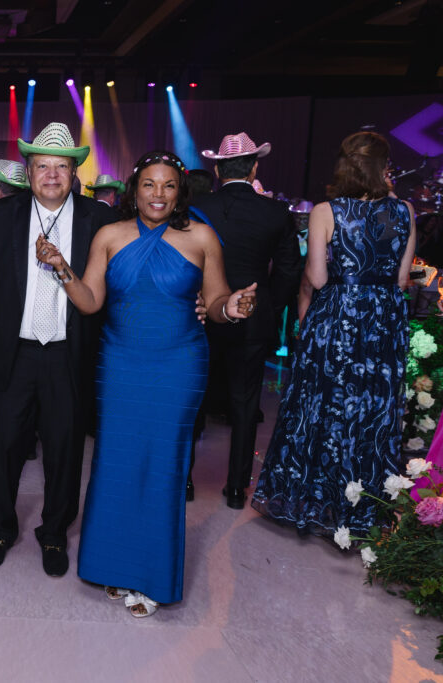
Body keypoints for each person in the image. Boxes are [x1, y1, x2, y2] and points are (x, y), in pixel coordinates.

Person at [37, 149, 257, 616]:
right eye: (149, 184)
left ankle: (153, 577)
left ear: (181, 192)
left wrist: (230, 308)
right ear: (134, 190)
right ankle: (112, 566)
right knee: (115, 461)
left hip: (178, 365)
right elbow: (91, 301)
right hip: (120, 363)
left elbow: (215, 300)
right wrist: (61, 267)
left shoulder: (201, 237)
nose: (158, 194)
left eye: (168, 185)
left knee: (163, 465)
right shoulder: (110, 235)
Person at [0, 122, 118, 578]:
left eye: (61, 167)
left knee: (65, 449)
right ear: (28, 171)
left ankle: (53, 533)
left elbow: (128, 276)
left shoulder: (100, 221)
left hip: (68, 354)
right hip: (12, 354)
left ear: (74, 173)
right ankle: (2, 527)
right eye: (41, 166)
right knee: (3, 447)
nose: (51, 175)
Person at [252, 131, 416, 538]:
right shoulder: (406, 211)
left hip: (338, 317)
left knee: (323, 406)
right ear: (383, 167)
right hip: (383, 322)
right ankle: (361, 505)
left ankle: (314, 497)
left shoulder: (328, 210)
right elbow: (401, 281)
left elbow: (318, 278)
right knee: (372, 411)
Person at [189, 134, 303, 509]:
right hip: (254, 316)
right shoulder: (275, 213)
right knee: (244, 401)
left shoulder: (197, 206)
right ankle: (237, 488)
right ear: (255, 168)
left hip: (203, 313)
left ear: (218, 169)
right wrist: (269, 307)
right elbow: (288, 271)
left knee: (195, 398)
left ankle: (184, 482)